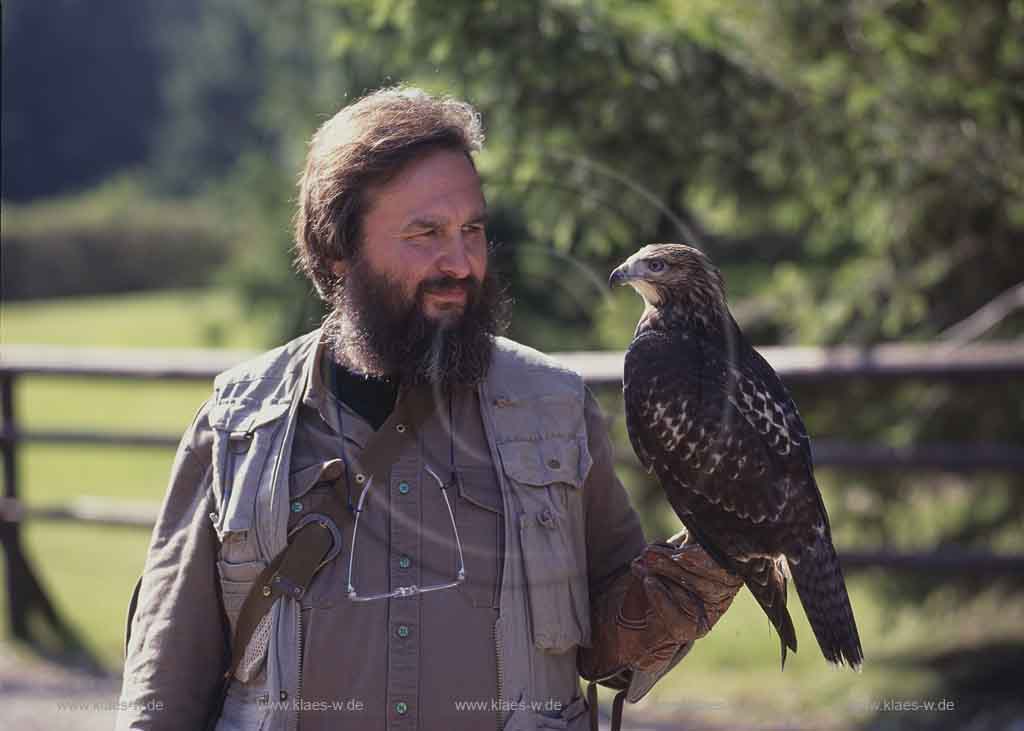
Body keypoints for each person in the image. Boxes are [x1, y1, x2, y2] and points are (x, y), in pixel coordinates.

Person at [117, 86, 742, 731]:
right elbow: (164, 684)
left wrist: (704, 568)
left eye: (472, 230)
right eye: (425, 234)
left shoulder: (554, 408)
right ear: (338, 249)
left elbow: (614, 647)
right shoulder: (236, 427)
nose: (460, 262)